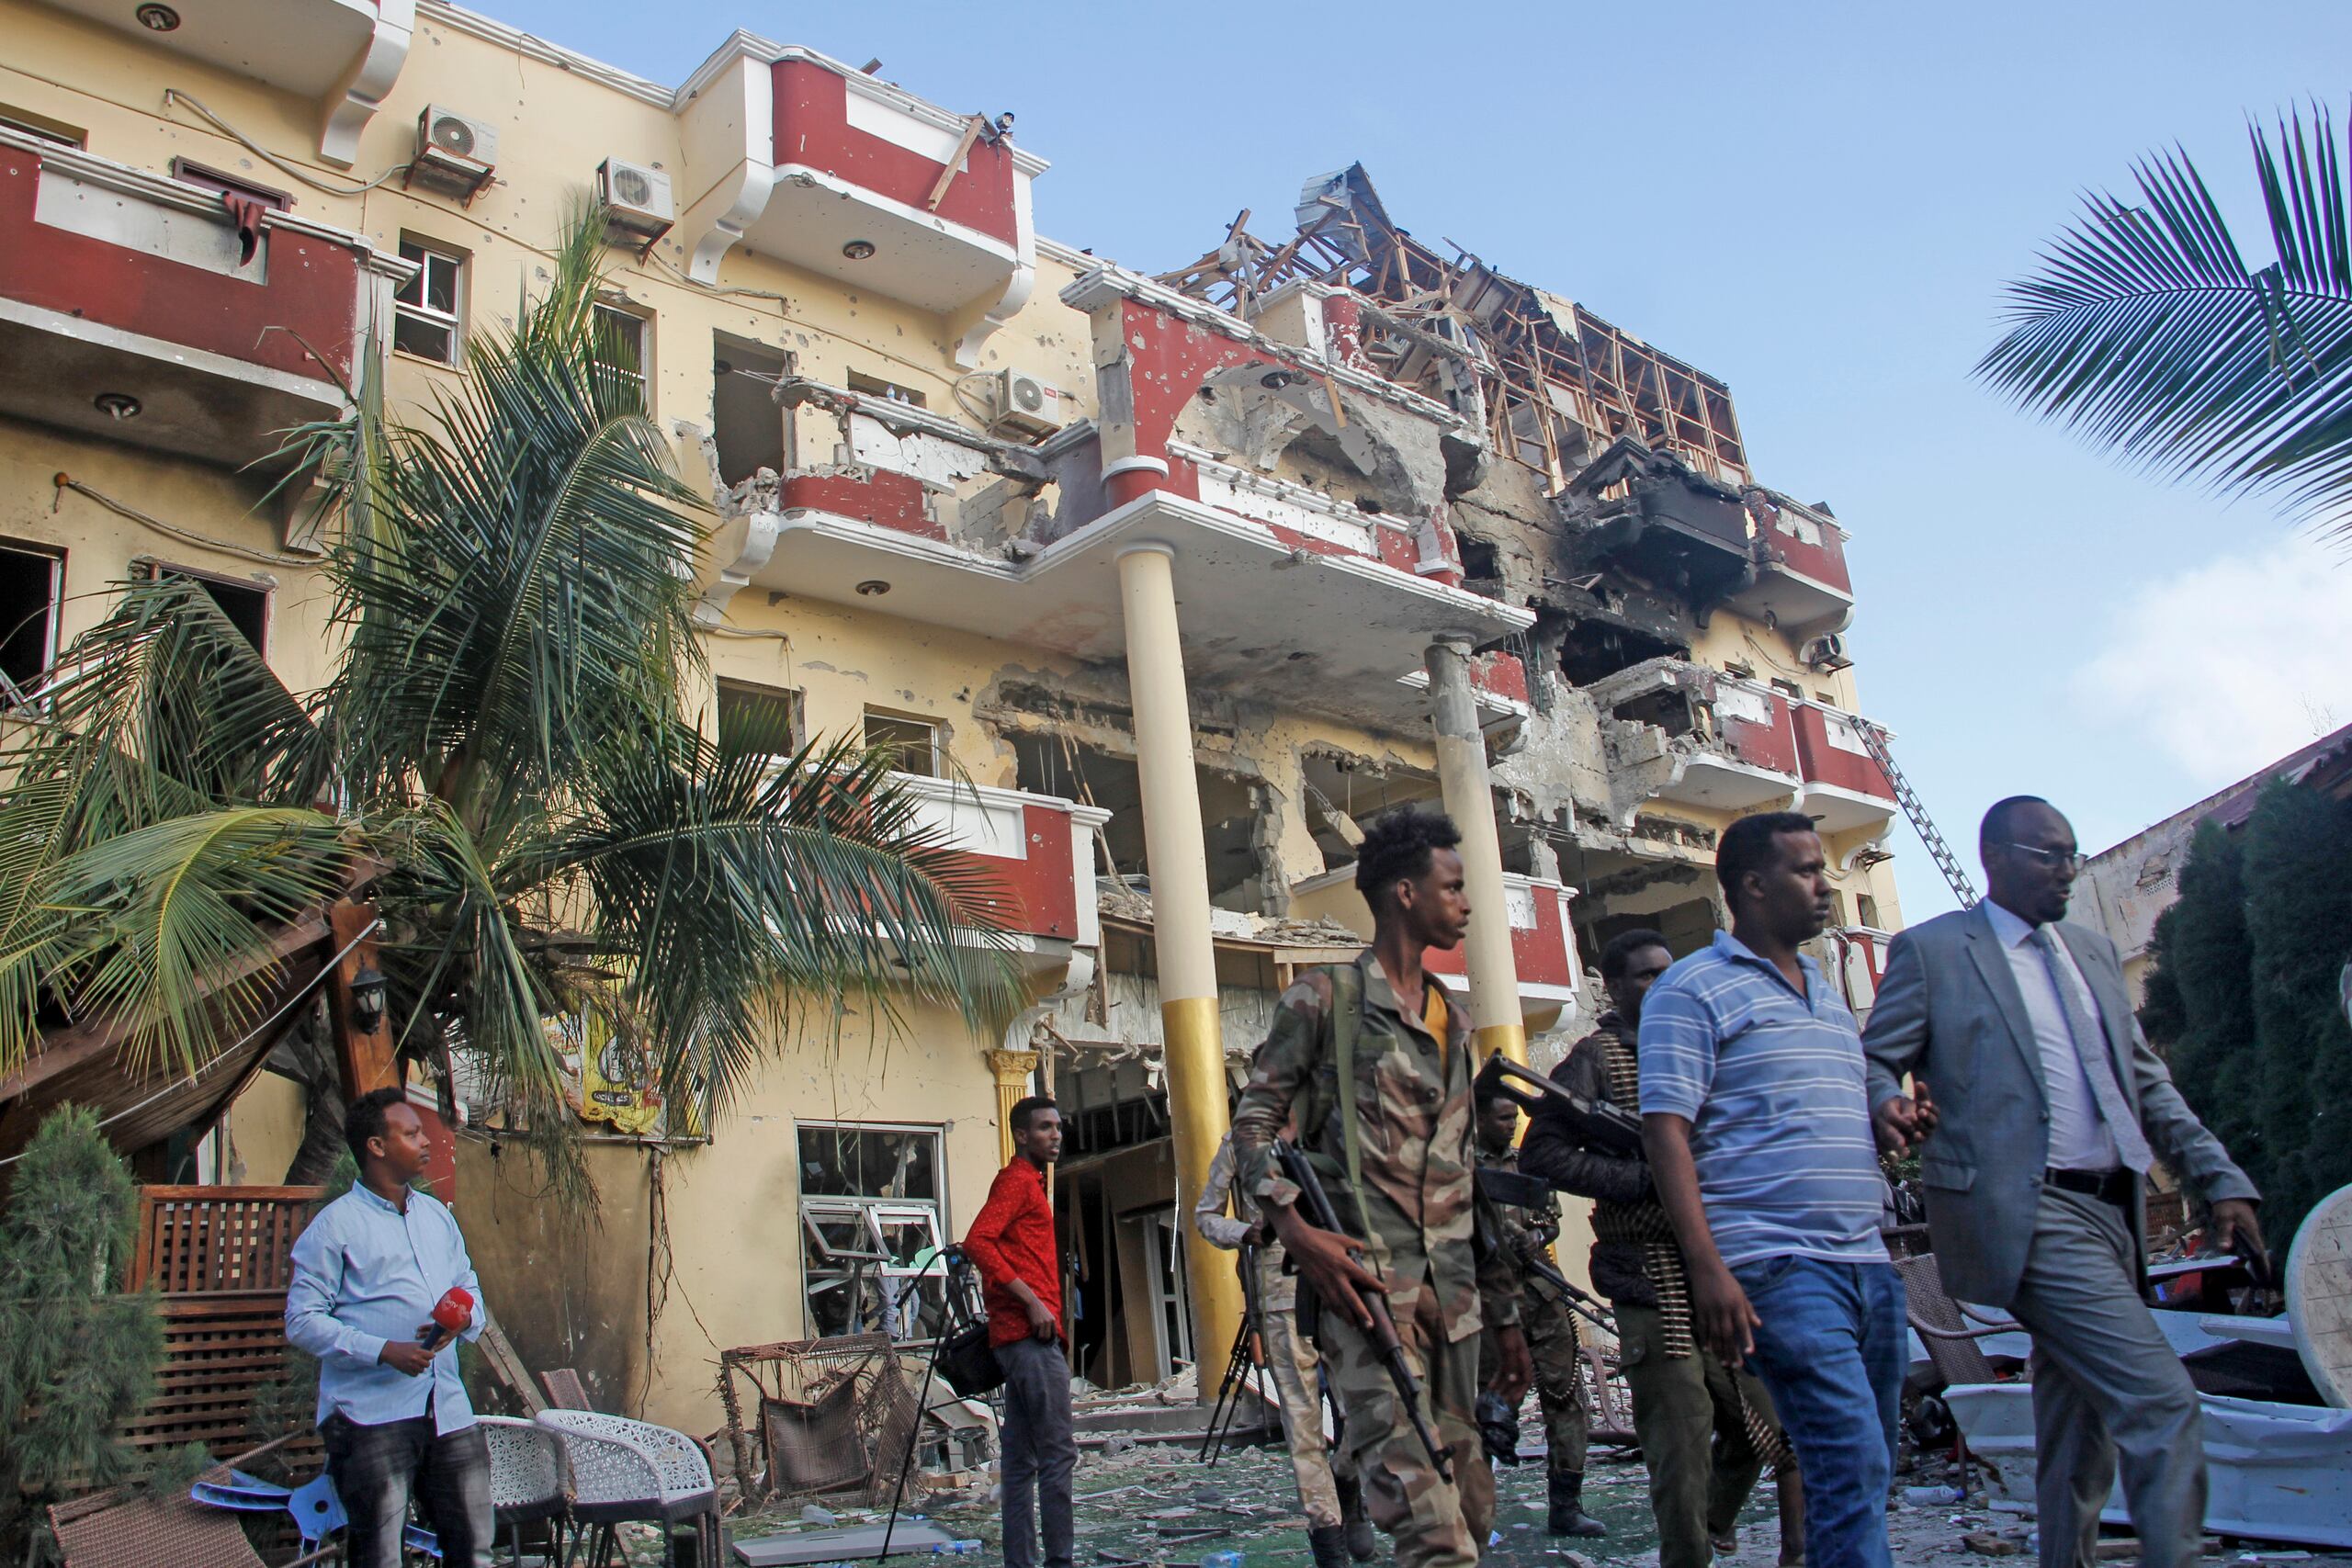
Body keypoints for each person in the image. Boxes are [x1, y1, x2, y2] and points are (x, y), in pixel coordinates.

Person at [1863, 796, 2263, 1568]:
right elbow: (1879, 1055)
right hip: (2026, 1208)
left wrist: (2220, 1177)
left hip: (2112, 1209)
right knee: (2160, 1401)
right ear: (1996, 856)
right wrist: (1886, 1100)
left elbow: (2147, 1082)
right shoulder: (1938, 950)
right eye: (2050, 854)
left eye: (2073, 853)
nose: (2068, 870)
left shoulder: (2090, 951)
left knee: (2079, 1422)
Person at [1230, 807, 1532, 1568]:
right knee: (1432, 1537)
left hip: (1455, 1302)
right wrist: (1297, 1232)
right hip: (1366, 1295)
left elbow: (1467, 1178)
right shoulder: (1324, 1000)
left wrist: (1504, 1315)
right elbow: (1255, 1122)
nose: (1465, 902)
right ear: (1405, 892)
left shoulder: (1456, 1021)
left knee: (1471, 1512)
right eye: (1453, 886)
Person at [1639, 812, 1905, 1568]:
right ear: (1752, 886)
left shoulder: (1825, 992)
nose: (1827, 887)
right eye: (1808, 871)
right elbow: (1667, 1133)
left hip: (1869, 1263)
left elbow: (1820, 1112)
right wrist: (1708, 1267)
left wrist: (1885, 1118)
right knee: (1849, 1461)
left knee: (1863, 1470)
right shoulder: (1692, 990)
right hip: (1779, 1266)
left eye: (1825, 868)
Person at [1522, 928, 1800, 1568]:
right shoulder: (1599, 1057)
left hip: (1723, 1270)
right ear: (1613, 987)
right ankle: (1687, 1550)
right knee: (1679, 1444)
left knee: (1764, 1427)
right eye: (1646, 975)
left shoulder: (1703, 1048)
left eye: (1666, 971)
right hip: (1650, 1273)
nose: (1661, 982)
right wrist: (1645, 1177)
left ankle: (1706, 1530)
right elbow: (1542, 1151)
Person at [286, 1089, 492, 1568]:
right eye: (412, 1132)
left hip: (448, 1409)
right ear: (377, 1146)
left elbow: (468, 1285)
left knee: (475, 1551)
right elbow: (301, 1320)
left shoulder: (437, 1217)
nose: (426, 1141)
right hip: (369, 1417)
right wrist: (382, 1350)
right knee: (380, 1557)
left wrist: (463, 1318)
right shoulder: (334, 1227)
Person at [1195, 1130, 1374, 1565]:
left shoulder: (1330, 1121)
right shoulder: (1240, 1142)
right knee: (1302, 1420)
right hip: (1280, 1293)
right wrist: (1248, 1233)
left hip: (1342, 1282)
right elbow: (1206, 1215)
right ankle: (1328, 1535)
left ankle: (1347, 1483)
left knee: (1367, 1410)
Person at [1471, 1083, 1606, 1539]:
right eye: (1504, 1118)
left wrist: (1536, 1238)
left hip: (1541, 1294)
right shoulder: (1459, 1166)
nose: (1512, 1126)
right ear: (1480, 1118)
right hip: (1485, 1298)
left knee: (1564, 1395)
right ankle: (1476, 1511)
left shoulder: (1527, 1161)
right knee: (1484, 1405)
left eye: (1515, 1118)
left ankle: (1567, 1503)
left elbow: (1550, 1216)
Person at [964, 1096, 1077, 1568]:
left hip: (1019, 1337)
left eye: (1058, 1127)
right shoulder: (1015, 1181)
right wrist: (1031, 1301)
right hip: (1030, 1338)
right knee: (1057, 1455)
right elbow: (977, 1241)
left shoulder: (1030, 1183)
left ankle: (1022, 1561)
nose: (1055, 1135)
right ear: (1022, 1135)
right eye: (1045, 1127)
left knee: (1019, 1463)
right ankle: (1060, 1562)